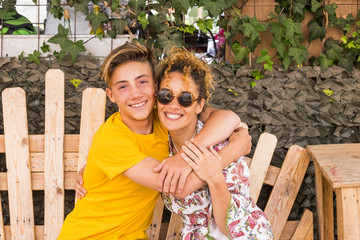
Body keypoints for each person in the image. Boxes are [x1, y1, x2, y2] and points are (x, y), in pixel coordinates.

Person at [58, 41, 251, 239]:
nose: (135, 93)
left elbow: (228, 117)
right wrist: (235, 148)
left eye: (142, 82)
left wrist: (185, 154)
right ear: (111, 95)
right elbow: (179, 187)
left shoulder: (166, 115)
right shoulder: (111, 140)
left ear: (156, 86)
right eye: (123, 86)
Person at [155, 49, 274, 239]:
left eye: (185, 98)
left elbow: (230, 227)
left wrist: (214, 176)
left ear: (199, 105)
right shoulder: (161, 139)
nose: (173, 104)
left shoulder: (218, 144)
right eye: (165, 95)